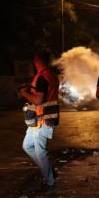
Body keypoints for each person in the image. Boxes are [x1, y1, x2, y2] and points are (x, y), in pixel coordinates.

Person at [20, 51, 60, 188]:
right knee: (27, 146)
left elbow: (38, 100)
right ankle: (49, 171)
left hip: (42, 120)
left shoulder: (42, 77)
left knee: (40, 151)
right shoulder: (51, 76)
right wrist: (30, 89)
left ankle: (49, 180)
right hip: (41, 119)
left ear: (37, 61)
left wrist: (23, 93)